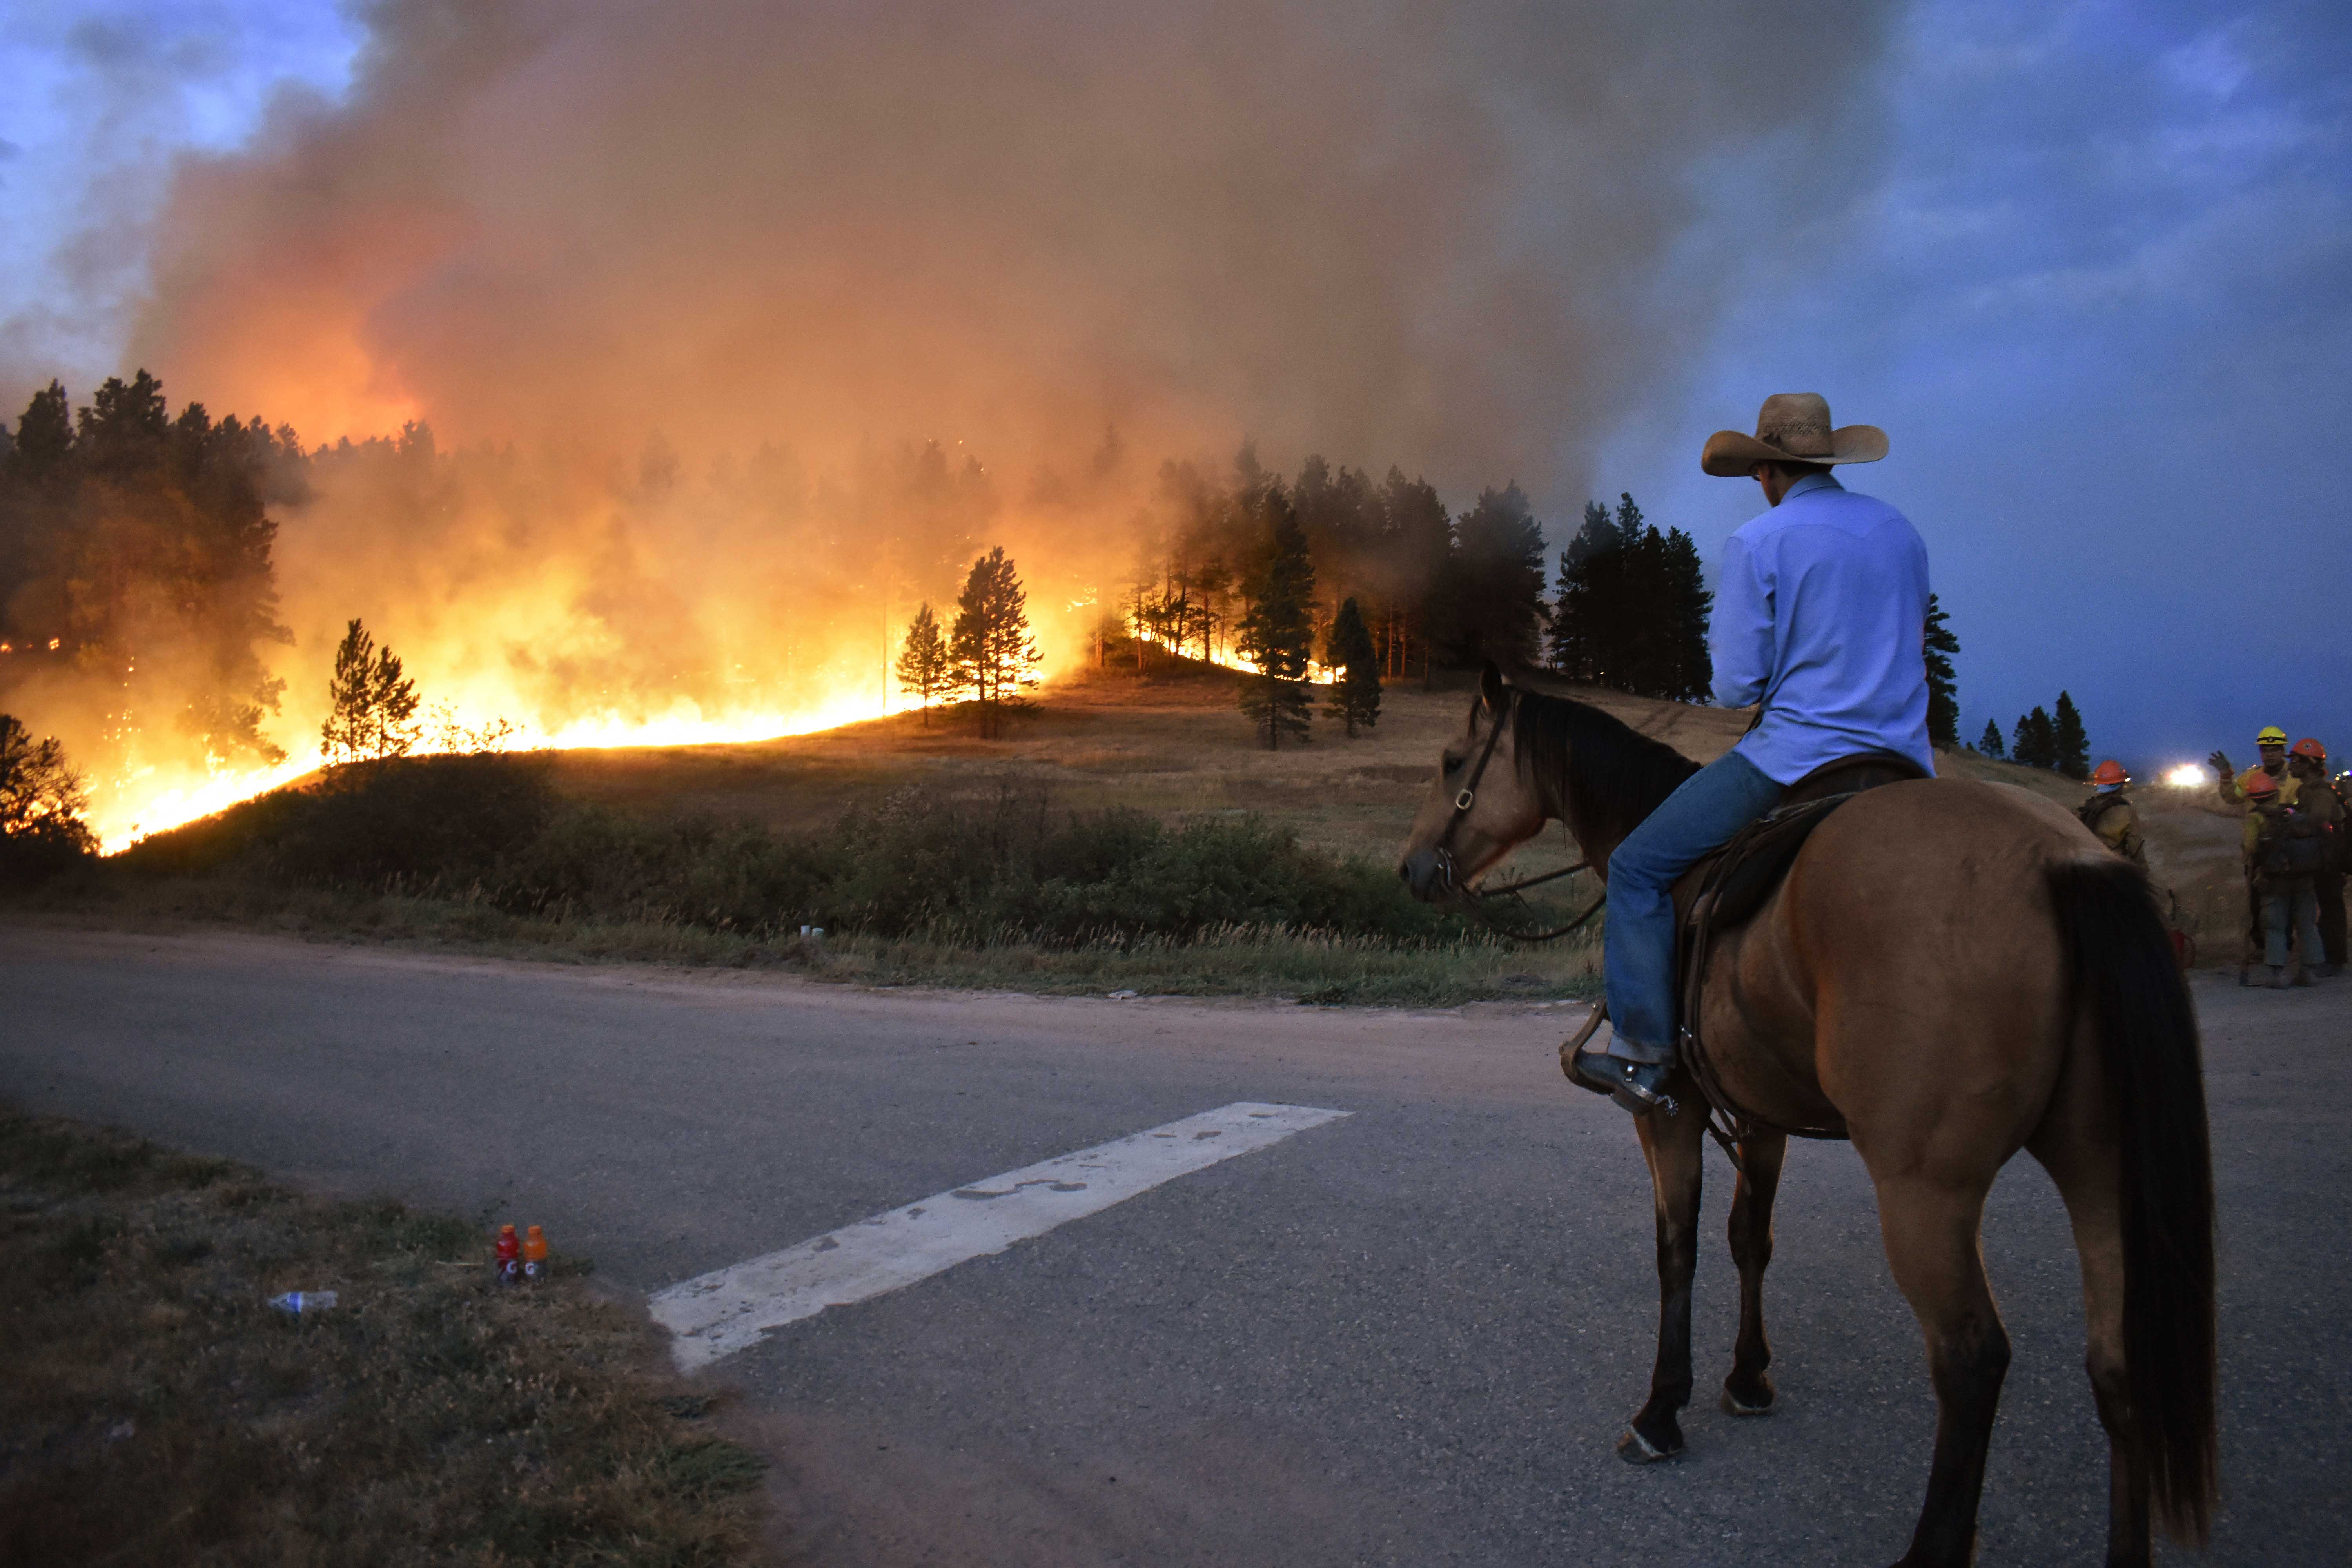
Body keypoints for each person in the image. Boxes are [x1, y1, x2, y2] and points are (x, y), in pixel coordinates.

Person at [1573, 393, 1930, 1114]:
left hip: (1798, 758)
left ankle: (1643, 1056)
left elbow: (1737, 684)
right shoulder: (1900, 532)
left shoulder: (1761, 541)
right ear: (1827, 460)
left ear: (1767, 471)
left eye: (1756, 475)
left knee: (1639, 869)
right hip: (1903, 763)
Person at [2243, 771, 2325, 988]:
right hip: (2304, 877)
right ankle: (2310, 972)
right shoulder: (2290, 812)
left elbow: (2251, 848)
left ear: (2252, 797)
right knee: (2307, 924)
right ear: (2275, 793)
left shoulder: (2256, 818)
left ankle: (2277, 975)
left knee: (2275, 926)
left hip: (2275, 879)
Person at [2288, 739, 2346, 975]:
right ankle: (2325, 957)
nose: (2291, 765)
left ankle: (2335, 961)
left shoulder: (2321, 793)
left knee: (2331, 907)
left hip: (2329, 858)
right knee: (2323, 906)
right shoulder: (2305, 790)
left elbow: (2318, 819)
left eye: (2295, 760)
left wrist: (2293, 819)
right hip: (2318, 855)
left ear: (2310, 763)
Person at [2076, 759, 2146, 869]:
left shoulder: (2088, 806)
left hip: (2086, 864)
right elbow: (2136, 847)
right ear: (2120, 785)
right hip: (2112, 868)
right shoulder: (2126, 810)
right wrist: (2143, 872)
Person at [2212, 726, 2298, 807]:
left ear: (2283, 751)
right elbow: (2232, 798)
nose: (2270, 755)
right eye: (2265, 751)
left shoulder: (2296, 778)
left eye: (2274, 750)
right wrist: (2226, 774)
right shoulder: (2250, 777)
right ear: (2261, 752)